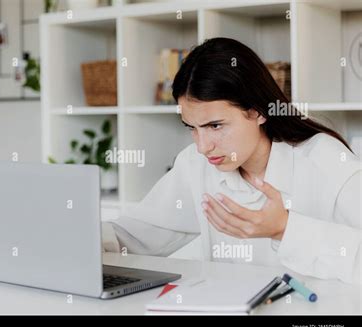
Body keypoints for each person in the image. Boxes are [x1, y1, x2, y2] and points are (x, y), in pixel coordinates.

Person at [102, 38, 361, 284]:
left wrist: (284, 228)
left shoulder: (325, 160)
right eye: (191, 127)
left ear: (257, 111)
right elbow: (135, 237)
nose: (203, 146)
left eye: (215, 125)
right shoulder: (197, 164)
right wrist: (77, 237)